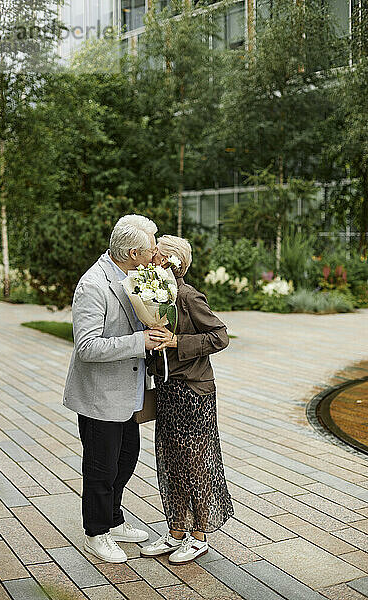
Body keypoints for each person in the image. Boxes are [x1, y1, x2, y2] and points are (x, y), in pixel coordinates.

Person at [63, 214, 162, 563]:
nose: (156, 253)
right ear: (134, 252)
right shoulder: (94, 285)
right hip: (100, 396)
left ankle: (114, 520)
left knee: (124, 461)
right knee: (101, 469)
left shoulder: (136, 275)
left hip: (130, 392)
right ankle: (97, 532)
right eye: (151, 248)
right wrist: (140, 341)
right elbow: (86, 347)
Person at [141, 234, 234, 564]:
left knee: (196, 465)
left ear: (170, 262)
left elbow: (219, 336)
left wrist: (176, 340)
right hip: (168, 390)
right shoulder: (156, 295)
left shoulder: (187, 295)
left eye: (156, 255)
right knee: (172, 462)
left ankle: (199, 536)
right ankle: (176, 530)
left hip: (194, 392)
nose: (150, 259)